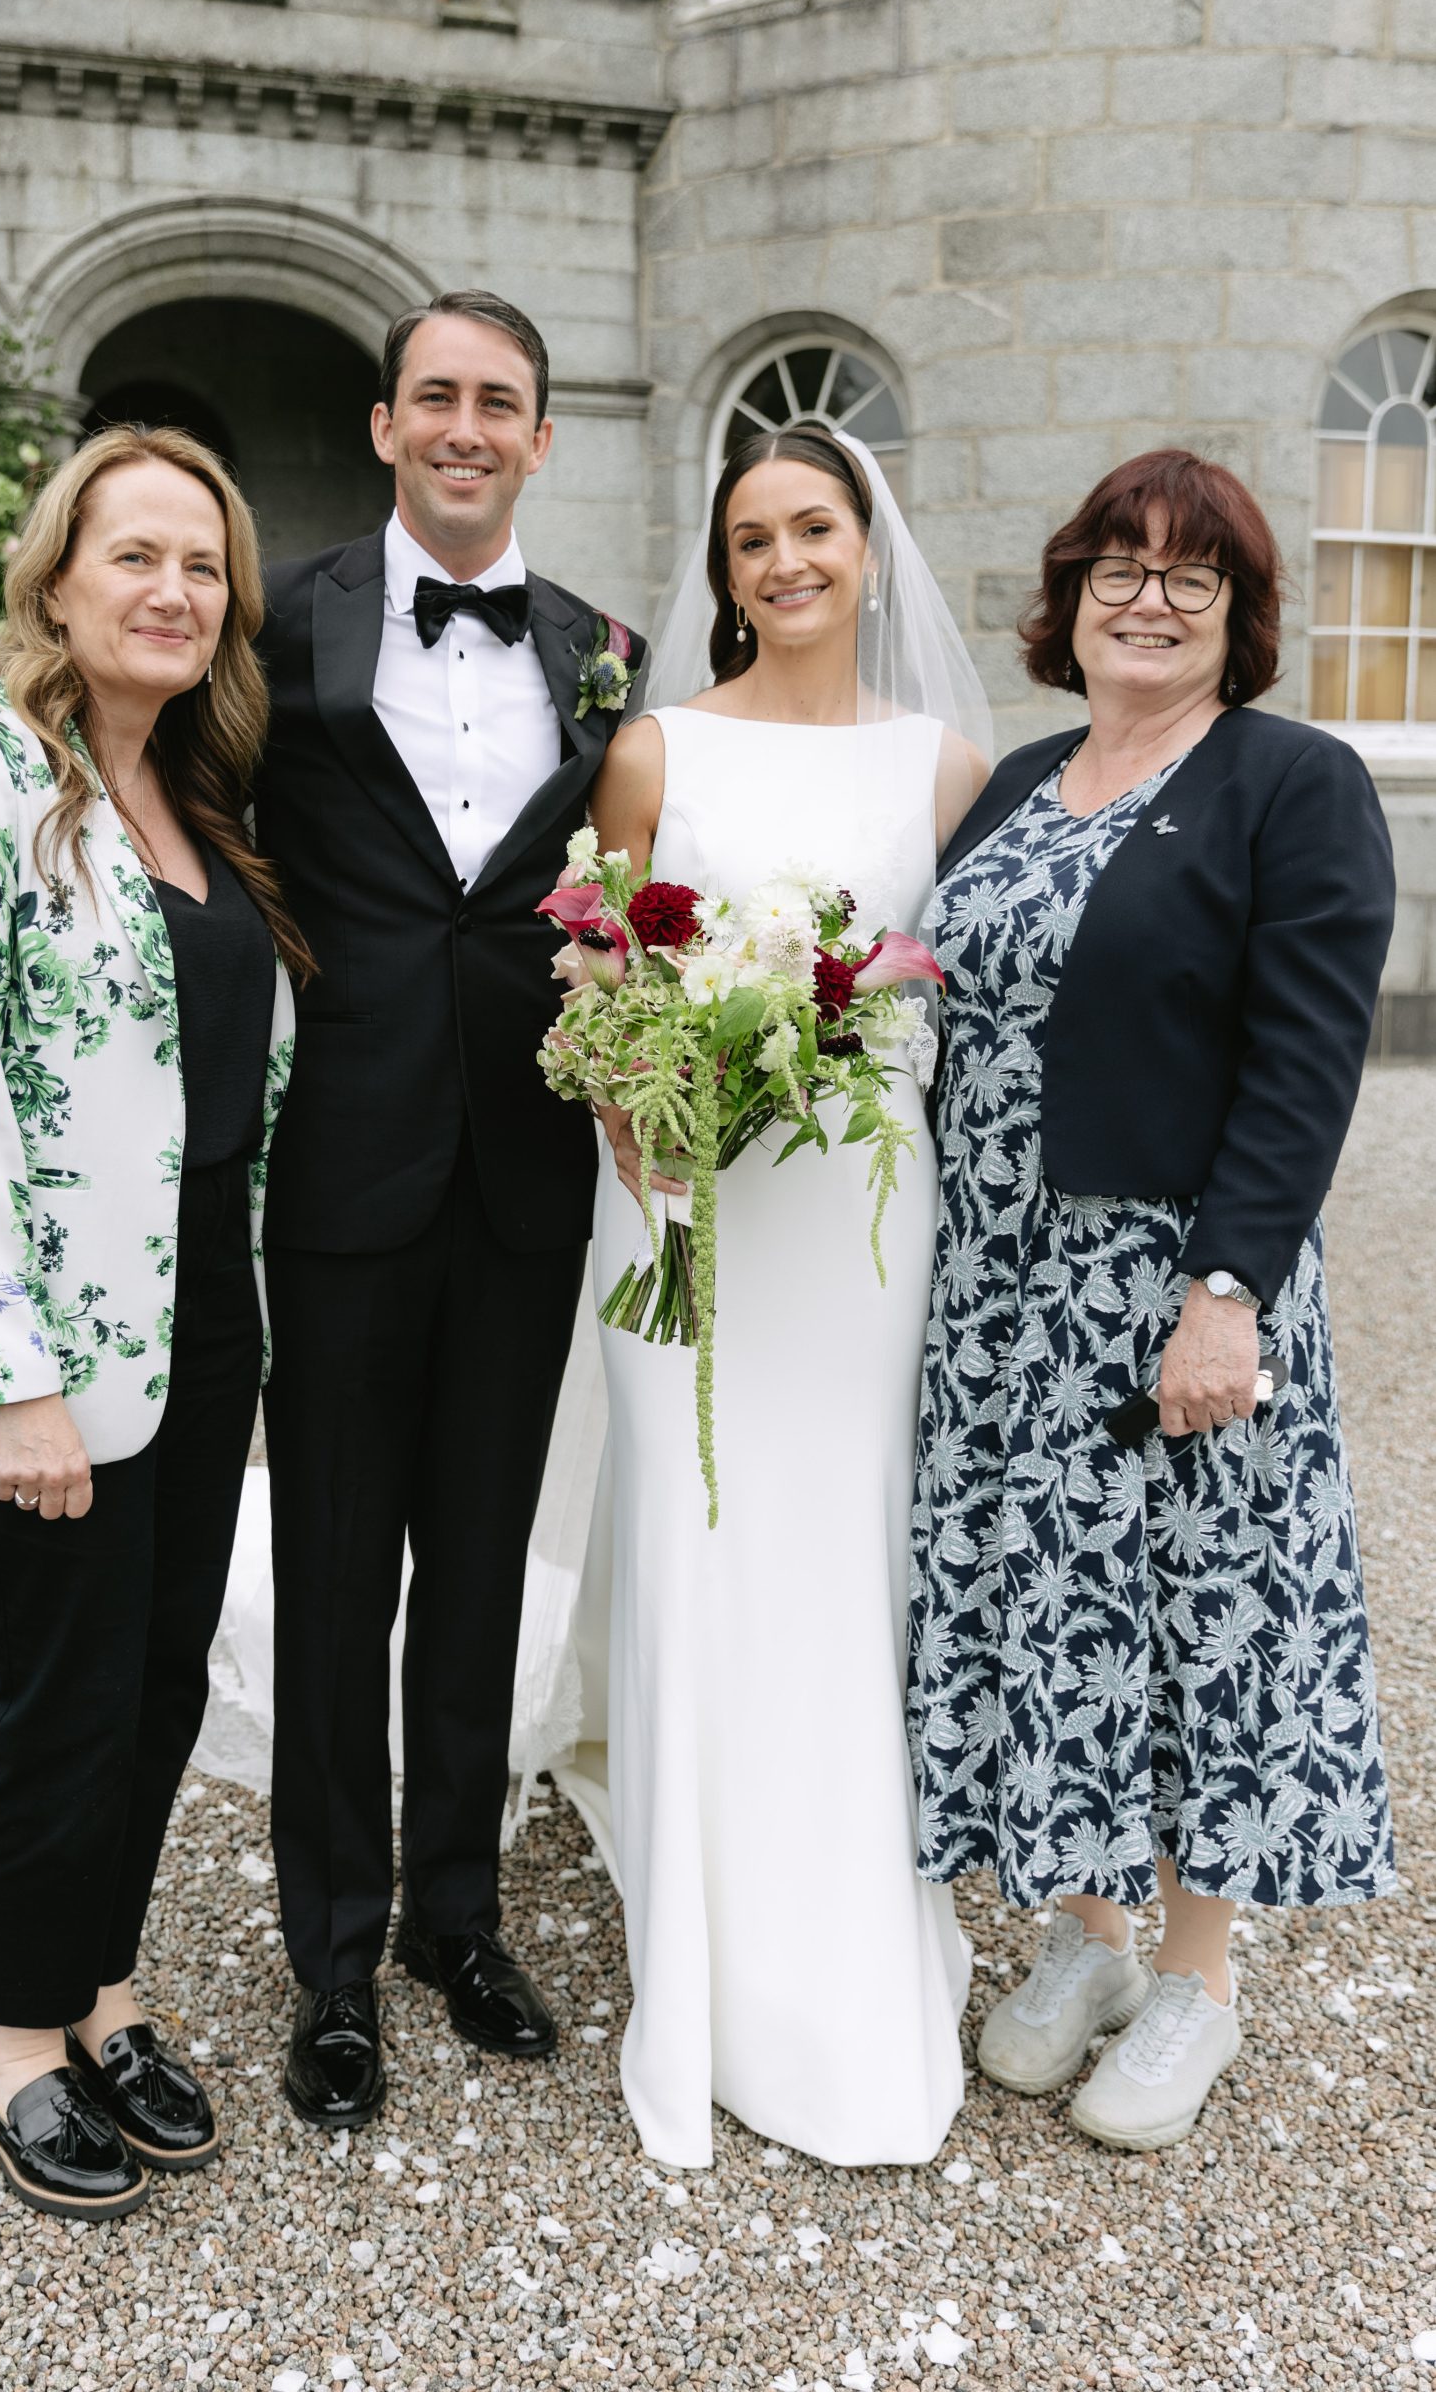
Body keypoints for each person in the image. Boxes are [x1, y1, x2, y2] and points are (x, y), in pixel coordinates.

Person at [906, 449, 1397, 2153]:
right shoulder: (1015, 781)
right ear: (1068, 595)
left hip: (1165, 1285)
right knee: (1052, 1604)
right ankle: (1087, 1936)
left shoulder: (1291, 782)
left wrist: (1227, 1292)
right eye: (1116, 565)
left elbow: (1303, 1061)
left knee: (1202, 1617)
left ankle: (1196, 1977)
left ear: (1237, 613)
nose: (1147, 599)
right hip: (997, 1295)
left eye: (1192, 574)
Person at [0, 426, 305, 2222]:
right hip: (45, 1337)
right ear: (56, 575)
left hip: (201, 1309)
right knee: (57, 1686)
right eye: (137, 555)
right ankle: (12, 2033)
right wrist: (9, 1377)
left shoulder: (197, 792)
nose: (173, 591)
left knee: (161, 1673)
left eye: (203, 566)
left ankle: (101, 1982)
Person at [253, 288, 646, 2131]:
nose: (466, 426)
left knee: (482, 1565)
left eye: (499, 401)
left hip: (524, 1173)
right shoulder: (281, 623)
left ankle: (454, 1919)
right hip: (341, 1162)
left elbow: (624, 894)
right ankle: (333, 1959)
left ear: (539, 439)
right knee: (336, 1575)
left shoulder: (601, 652)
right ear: (386, 424)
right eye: (436, 396)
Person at [578, 425, 992, 2169]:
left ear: (868, 548)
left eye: (813, 527)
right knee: (701, 1542)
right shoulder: (654, 749)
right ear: (722, 571)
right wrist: (633, 1111)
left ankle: (844, 1930)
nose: (784, 561)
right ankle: (699, 1961)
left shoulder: (945, 769)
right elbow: (599, 968)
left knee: (841, 1546)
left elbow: (976, 1007)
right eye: (750, 538)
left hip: (859, 1226)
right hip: (684, 1213)